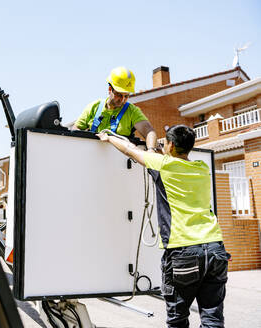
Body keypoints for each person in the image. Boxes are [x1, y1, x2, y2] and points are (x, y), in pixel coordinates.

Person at [97, 125, 230, 328]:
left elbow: (129, 149)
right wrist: (163, 152)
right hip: (214, 248)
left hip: (184, 250)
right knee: (212, 318)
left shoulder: (163, 165)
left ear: (170, 144)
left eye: (165, 142)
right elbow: (176, 161)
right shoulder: (202, 168)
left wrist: (108, 138)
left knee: (177, 319)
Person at [72, 66, 157, 151]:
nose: (123, 99)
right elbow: (75, 131)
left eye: (126, 96)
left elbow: (149, 131)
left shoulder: (132, 111)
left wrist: (151, 150)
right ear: (110, 89)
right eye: (119, 95)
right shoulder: (93, 107)